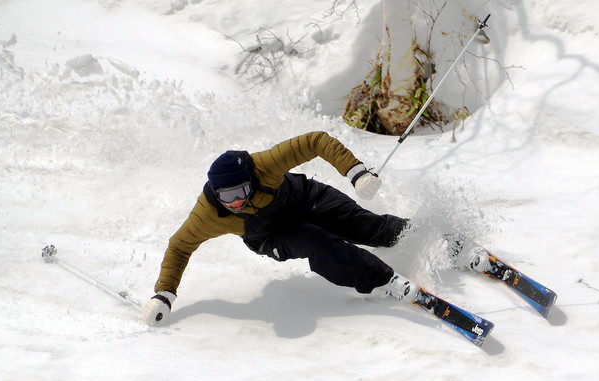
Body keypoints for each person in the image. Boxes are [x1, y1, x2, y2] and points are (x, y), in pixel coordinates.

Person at [140, 131, 440, 324]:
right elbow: (179, 246)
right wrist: (164, 294)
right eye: (226, 197)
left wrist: (356, 173)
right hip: (272, 235)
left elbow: (315, 141)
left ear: (251, 179)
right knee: (317, 242)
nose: (235, 203)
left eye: (240, 193)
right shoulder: (208, 213)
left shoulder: (263, 165)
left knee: (365, 226)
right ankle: (383, 282)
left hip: (305, 197)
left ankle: (428, 237)